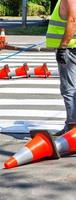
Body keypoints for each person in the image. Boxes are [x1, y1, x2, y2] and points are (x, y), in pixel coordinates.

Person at [46, 0, 76, 136]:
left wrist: (63, 47)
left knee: (69, 88)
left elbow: (72, 20)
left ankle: (72, 129)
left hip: (70, 49)